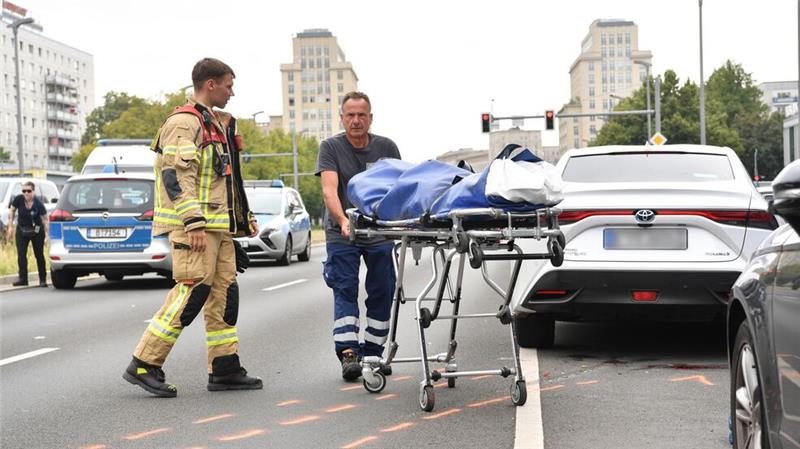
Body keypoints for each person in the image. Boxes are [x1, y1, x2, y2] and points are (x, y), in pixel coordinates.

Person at [123, 58, 262, 397]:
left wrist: (242, 220)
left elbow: (222, 180)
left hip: (218, 227)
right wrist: (193, 221)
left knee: (224, 294)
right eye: (229, 84)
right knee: (191, 292)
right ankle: (144, 362)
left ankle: (224, 367)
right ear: (210, 84)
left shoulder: (216, 122)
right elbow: (175, 175)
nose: (233, 91)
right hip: (195, 227)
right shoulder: (185, 122)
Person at [316, 91, 401, 381]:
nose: (355, 120)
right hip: (343, 232)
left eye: (361, 115)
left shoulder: (386, 147)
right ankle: (349, 353)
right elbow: (329, 189)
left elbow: (395, 188)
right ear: (342, 118)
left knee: (382, 289)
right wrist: (342, 220)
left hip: (378, 232)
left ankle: (374, 352)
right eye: (350, 115)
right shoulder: (330, 147)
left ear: (370, 118)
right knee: (345, 288)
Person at [7, 181, 48, 287]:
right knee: (21, 254)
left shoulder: (38, 204)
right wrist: (10, 226)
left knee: (39, 255)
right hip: (22, 230)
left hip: (36, 231)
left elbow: (45, 219)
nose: (26, 193)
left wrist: (47, 236)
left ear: (33, 191)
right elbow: (12, 210)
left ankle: (42, 279)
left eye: (28, 191)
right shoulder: (19, 199)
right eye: (24, 191)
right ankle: (23, 279)